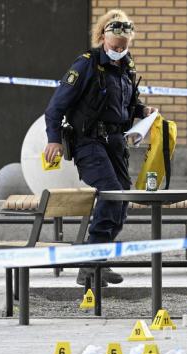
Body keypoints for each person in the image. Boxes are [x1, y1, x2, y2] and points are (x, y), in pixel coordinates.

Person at [43, 9, 156, 286]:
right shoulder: (85, 65)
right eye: (116, 45)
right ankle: (90, 263)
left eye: (124, 45)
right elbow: (55, 107)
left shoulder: (127, 67)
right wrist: (54, 139)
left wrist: (143, 111)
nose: (119, 50)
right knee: (111, 192)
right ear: (103, 37)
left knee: (121, 199)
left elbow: (128, 105)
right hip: (88, 142)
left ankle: (98, 259)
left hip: (116, 143)